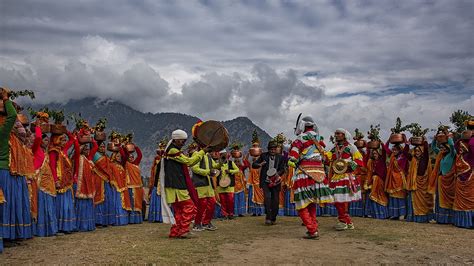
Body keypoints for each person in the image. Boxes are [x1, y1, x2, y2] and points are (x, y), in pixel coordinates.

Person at [288, 116, 333, 239]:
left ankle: (312, 230)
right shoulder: (319, 139)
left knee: (301, 202)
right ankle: (313, 228)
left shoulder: (300, 138)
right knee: (312, 202)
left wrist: (291, 160)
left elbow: (294, 153)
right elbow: (326, 156)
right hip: (319, 173)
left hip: (305, 173)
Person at [160, 129, 206, 238]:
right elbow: (189, 161)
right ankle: (184, 230)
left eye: (184, 141)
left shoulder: (171, 150)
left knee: (179, 210)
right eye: (182, 141)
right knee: (190, 207)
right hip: (177, 185)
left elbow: (188, 161)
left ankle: (176, 231)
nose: (183, 143)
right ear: (175, 140)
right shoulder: (172, 151)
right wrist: (203, 151)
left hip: (173, 184)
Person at [0, 88, 33, 241]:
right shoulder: (3, 131)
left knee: (8, 205)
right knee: (8, 205)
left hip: (8, 171)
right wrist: (6, 98)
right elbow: (13, 115)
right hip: (5, 171)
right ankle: (8, 235)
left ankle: (10, 235)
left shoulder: (14, 138)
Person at [326, 128, 363, 231]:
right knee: (337, 200)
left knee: (342, 200)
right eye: (335, 134)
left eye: (338, 134)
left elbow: (359, 160)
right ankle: (347, 221)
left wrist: (351, 164)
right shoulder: (333, 148)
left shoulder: (351, 147)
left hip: (346, 176)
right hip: (336, 176)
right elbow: (327, 159)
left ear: (344, 135)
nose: (336, 135)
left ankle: (343, 221)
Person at [31, 116, 58, 236]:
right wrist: (38, 127)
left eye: (48, 141)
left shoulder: (46, 152)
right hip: (40, 182)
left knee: (49, 207)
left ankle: (51, 230)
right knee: (41, 206)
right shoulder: (35, 149)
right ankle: (41, 230)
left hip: (48, 183)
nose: (47, 142)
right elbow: (37, 138)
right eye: (45, 140)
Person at [49, 130, 78, 233]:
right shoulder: (53, 151)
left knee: (68, 206)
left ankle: (68, 226)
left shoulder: (63, 150)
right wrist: (56, 180)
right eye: (62, 140)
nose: (65, 142)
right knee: (62, 206)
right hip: (60, 183)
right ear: (57, 140)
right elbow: (52, 167)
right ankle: (61, 227)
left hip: (67, 182)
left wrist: (65, 130)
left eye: (65, 140)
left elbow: (72, 139)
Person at [253, 141, 285, 225]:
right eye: (271, 149)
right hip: (265, 181)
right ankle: (268, 217)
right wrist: (260, 164)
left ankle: (273, 218)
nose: (273, 151)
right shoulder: (263, 156)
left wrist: (278, 174)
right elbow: (254, 165)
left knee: (276, 201)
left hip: (276, 182)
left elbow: (283, 169)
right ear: (268, 149)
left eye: (274, 149)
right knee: (267, 198)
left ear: (276, 150)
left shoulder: (280, 157)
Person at [429, 133, 456, 224]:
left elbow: (452, 146)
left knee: (448, 200)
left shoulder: (452, 154)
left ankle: (449, 219)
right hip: (440, 180)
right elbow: (433, 147)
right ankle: (440, 219)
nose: (442, 149)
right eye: (441, 147)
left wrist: (449, 138)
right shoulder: (440, 155)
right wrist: (435, 139)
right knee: (439, 199)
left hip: (449, 180)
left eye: (444, 147)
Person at [406, 140, 434, 223]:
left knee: (423, 202)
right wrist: (407, 144)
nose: (417, 152)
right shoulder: (413, 159)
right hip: (414, 184)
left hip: (423, 184)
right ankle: (413, 217)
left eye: (418, 151)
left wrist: (425, 141)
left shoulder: (424, 159)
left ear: (421, 152)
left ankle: (423, 218)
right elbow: (405, 154)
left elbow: (426, 153)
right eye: (415, 151)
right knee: (413, 200)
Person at [74, 137, 98, 232]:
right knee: (82, 206)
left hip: (89, 186)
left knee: (88, 205)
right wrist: (78, 137)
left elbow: (95, 147)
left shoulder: (89, 158)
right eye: (85, 149)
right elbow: (76, 147)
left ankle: (89, 225)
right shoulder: (78, 158)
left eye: (88, 149)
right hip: (81, 186)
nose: (88, 151)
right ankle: (81, 226)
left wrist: (91, 138)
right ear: (81, 149)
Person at [191, 149, 218, 231]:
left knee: (212, 203)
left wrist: (221, 163)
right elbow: (194, 168)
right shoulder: (196, 154)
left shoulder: (208, 155)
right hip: (201, 183)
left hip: (209, 184)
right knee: (202, 205)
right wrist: (207, 172)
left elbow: (214, 166)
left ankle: (206, 222)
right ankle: (197, 223)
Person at [384, 136, 409, 220]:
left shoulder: (403, 156)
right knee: (393, 197)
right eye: (393, 150)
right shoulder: (392, 156)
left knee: (400, 197)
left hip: (400, 179)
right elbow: (385, 148)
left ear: (399, 150)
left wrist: (405, 140)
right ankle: (394, 214)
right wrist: (389, 139)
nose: (394, 151)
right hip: (392, 179)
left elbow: (406, 149)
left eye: (395, 150)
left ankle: (402, 214)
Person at [453, 133, 474, 228]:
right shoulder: (460, 157)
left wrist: (472, 136)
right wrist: (462, 138)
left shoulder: (470, 157)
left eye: (463, 147)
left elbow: (472, 145)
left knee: (470, 202)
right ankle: (461, 222)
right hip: (460, 181)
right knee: (460, 202)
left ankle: (470, 222)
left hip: (469, 180)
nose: (460, 149)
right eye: (460, 148)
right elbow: (456, 145)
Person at [93, 141, 115, 226]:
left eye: (103, 146)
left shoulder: (106, 156)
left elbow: (109, 167)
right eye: (101, 146)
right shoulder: (96, 156)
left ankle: (106, 220)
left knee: (107, 199)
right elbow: (103, 168)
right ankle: (99, 221)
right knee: (100, 199)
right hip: (99, 179)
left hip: (107, 180)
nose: (102, 148)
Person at [121, 145, 144, 224]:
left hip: (138, 187)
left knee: (138, 203)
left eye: (132, 157)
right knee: (131, 203)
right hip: (130, 187)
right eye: (129, 157)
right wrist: (124, 148)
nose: (131, 158)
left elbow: (140, 155)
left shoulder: (136, 164)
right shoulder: (126, 164)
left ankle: (137, 220)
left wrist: (136, 147)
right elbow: (125, 155)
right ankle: (131, 220)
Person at [365, 146, 389, 219]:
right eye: (374, 153)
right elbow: (366, 161)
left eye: (376, 153)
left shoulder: (382, 160)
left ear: (379, 154)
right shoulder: (371, 161)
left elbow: (384, 152)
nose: (375, 155)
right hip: (373, 181)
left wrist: (382, 143)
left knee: (380, 196)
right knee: (371, 195)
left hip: (381, 181)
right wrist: (369, 148)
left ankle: (382, 215)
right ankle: (373, 214)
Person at [216, 150, 240, 220]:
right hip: (220, 185)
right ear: (219, 156)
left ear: (226, 155)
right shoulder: (217, 164)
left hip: (230, 185)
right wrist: (218, 172)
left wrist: (230, 171)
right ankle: (224, 214)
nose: (223, 156)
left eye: (224, 154)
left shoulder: (231, 163)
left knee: (230, 200)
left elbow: (237, 170)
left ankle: (231, 214)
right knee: (223, 201)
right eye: (221, 155)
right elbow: (214, 172)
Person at [148, 143, 165, 223]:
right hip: (157, 182)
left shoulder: (166, 160)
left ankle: (162, 216)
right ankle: (157, 216)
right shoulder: (157, 160)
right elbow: (155, 172)